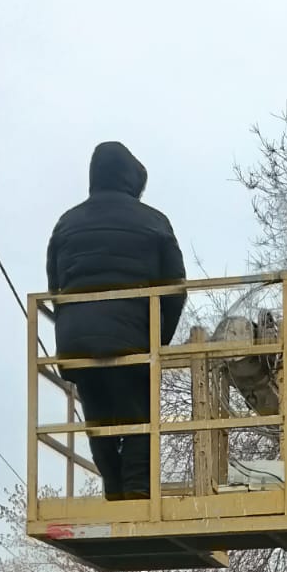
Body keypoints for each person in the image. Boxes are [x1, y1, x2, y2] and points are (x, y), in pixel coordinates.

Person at [46, 142, 187, 500]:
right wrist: (158, 342)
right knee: (140, 415)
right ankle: (137, 491)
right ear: (132, 180)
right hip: (133, 340)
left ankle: (113, 487)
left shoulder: (66, 223)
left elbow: (54, 285)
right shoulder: (154, 221)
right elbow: (175, 289)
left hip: (77, 342)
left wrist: (71, 328)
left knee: (97, 417)